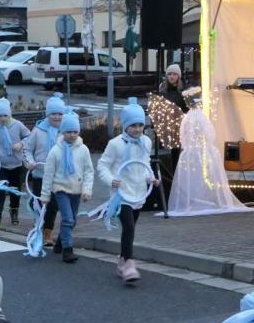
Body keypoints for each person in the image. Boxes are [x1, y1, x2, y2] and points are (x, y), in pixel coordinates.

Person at [96, 97, 157, 285]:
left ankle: (122, 261)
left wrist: (150, 178)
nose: (137, 129)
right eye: (133, 125)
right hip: (120, 195)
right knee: (129, 227)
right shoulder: (116, 144)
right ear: (125, 125)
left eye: (140, 125)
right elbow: (102, 165)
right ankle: (129, 264)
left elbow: (145, 164)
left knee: (130, 230)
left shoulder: (146, 141)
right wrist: (111, 180)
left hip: (139, 193)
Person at [39, 111, 93, 263]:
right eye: (69, 132)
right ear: (62, 132)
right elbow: (48, 174)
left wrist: (87, 190)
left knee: (73, 220)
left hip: (76, 190)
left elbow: (89, 171)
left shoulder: (83, 149)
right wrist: (45, 194)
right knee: (68, 219)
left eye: (75, 132)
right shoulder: (55, 151)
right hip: (60, 189)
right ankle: (67, 250)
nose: (72, 135)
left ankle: (60, 243)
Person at [23, 93, 64, 247]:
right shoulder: (38, 131)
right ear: (47, 114)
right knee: (40, 204)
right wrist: (30, 162)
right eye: (53, 113)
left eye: (60, 114)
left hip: (58, 176)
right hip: (40, 174)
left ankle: (47, 232)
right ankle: (38, 227)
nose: (57, 117)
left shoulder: (65, 131)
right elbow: (27, 149)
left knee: (53, 205)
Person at [0, 98, 29, 232]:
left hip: (17, 165)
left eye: (5, 115)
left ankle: (14, 211)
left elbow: (29, 137)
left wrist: (21, 144)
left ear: (9, 114)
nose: (2, 118)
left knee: (15, 191)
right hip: (1, 166)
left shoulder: (18, 125)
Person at [159, 64, 189, 173]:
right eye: (169, 74)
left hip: (180, 126)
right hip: (167, 126)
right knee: (168, 154)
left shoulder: (184, 92)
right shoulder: (163, 91)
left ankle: (178, 174)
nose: (172, 76)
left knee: (178, 153)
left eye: (174, 74)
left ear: (178, 76)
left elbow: (187, 109)